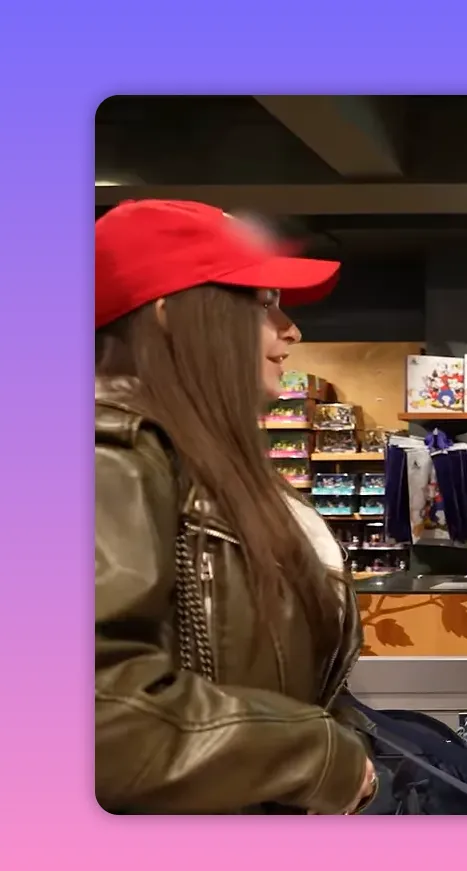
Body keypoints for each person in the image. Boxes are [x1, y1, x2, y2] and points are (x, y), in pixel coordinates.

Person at [94, 199, 377, 814]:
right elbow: (97, 714)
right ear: (171, 316)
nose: (290, 330)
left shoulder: (203, 463)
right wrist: (318, 755)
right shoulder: (108, 457)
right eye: (263, 302)